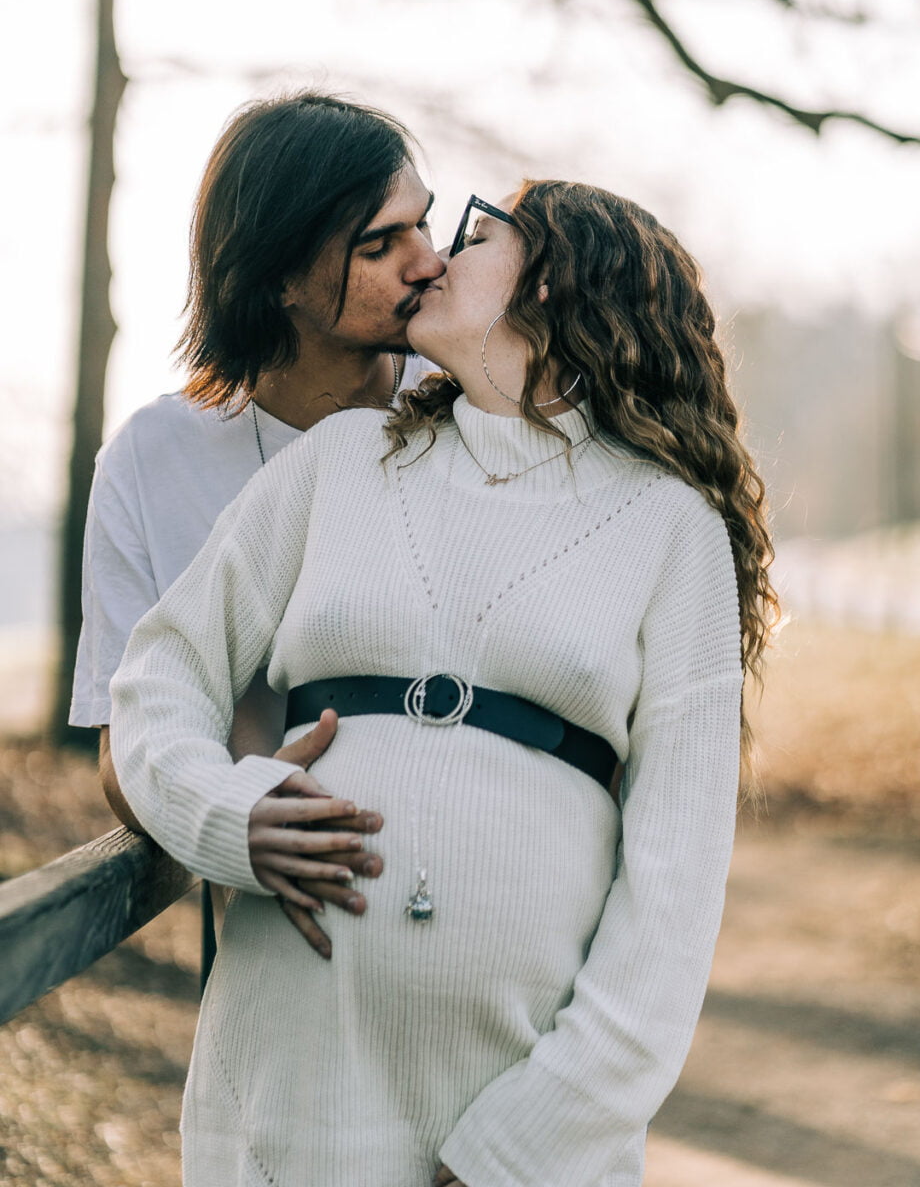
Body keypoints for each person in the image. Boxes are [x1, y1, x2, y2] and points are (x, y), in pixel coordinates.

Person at [109, 179, 777, 1187]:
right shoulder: (339, 462)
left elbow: (676, 890)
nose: (432, 259)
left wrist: (531, 1144)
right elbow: (161, 672)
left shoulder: (669, 526)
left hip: (516, 1110)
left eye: (474, 234)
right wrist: (225, 813)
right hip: (290, 1084)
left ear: (551, 283)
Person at [71, 91, 444, 956]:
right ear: (280, 276)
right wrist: (230, 815)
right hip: (277, 938)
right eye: (379, 245)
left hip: (469, 911)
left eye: (424, 224)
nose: (428, 263)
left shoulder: (467, 413)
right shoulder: (152, 459)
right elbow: (125, 750)